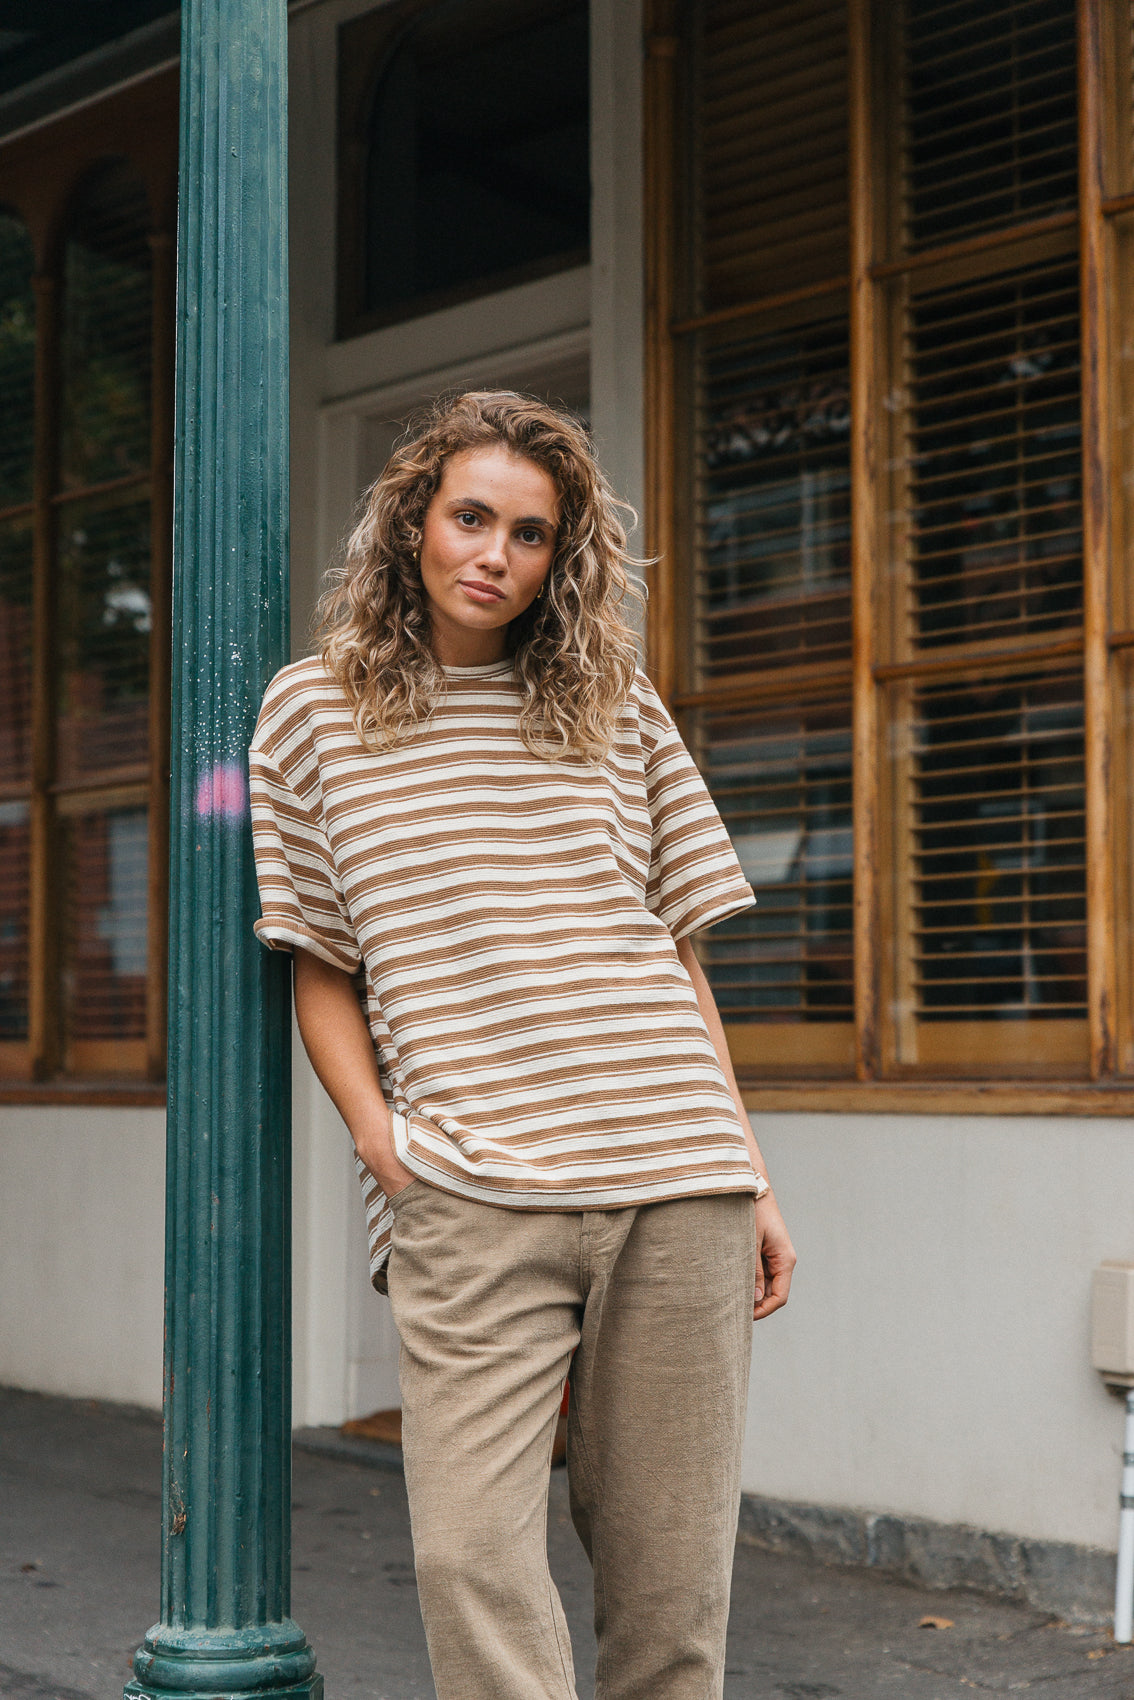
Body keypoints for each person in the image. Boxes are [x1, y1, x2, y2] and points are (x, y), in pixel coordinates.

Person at [249, 390, 796, 1700]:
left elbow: (675, 953)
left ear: (564, 557)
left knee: (669, 1591)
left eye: (531, 532)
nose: (494, 553)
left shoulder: (616, 706)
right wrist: (392, 1153)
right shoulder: (314, 714)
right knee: (471, 1564)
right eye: (470, 518)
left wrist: (752, 1170)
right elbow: (320, 965)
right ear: (412, 528)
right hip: (470, 1192)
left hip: (675, 1173)